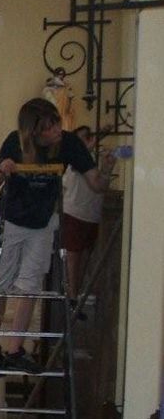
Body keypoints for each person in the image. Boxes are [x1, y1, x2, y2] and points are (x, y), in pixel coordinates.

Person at [0, 97, 111, 373]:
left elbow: (96, 182)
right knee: (1, 284)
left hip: (42, 223)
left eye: (57, 123)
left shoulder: (69, 144)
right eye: (49, 126)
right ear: (34, 131)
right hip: (11, 219)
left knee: (30, 284)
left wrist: (109, 170)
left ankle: (15, 349)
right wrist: (3, 170)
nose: (57, 130)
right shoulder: (15, 142)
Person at [62, 125, 114, 312]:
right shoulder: (74, 158)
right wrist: (102, 133)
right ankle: (72, 297)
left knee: (84, 258)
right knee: (73, 258)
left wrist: (108, 168)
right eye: (85, 137)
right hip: (74, 213)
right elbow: (83, 150)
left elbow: (101, 185)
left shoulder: (94, 159)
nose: (90, 140)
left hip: (92, 216)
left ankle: (76, 296)